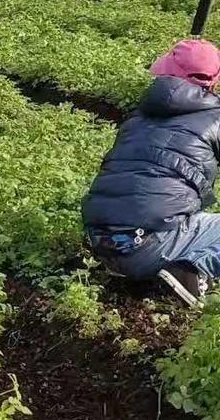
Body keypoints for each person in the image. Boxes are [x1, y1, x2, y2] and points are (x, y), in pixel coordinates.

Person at [82, 38, 220, 306]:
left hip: (100, 244)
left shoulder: (138, 117)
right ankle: (191, 272)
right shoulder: (216, 117)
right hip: (147, 248)